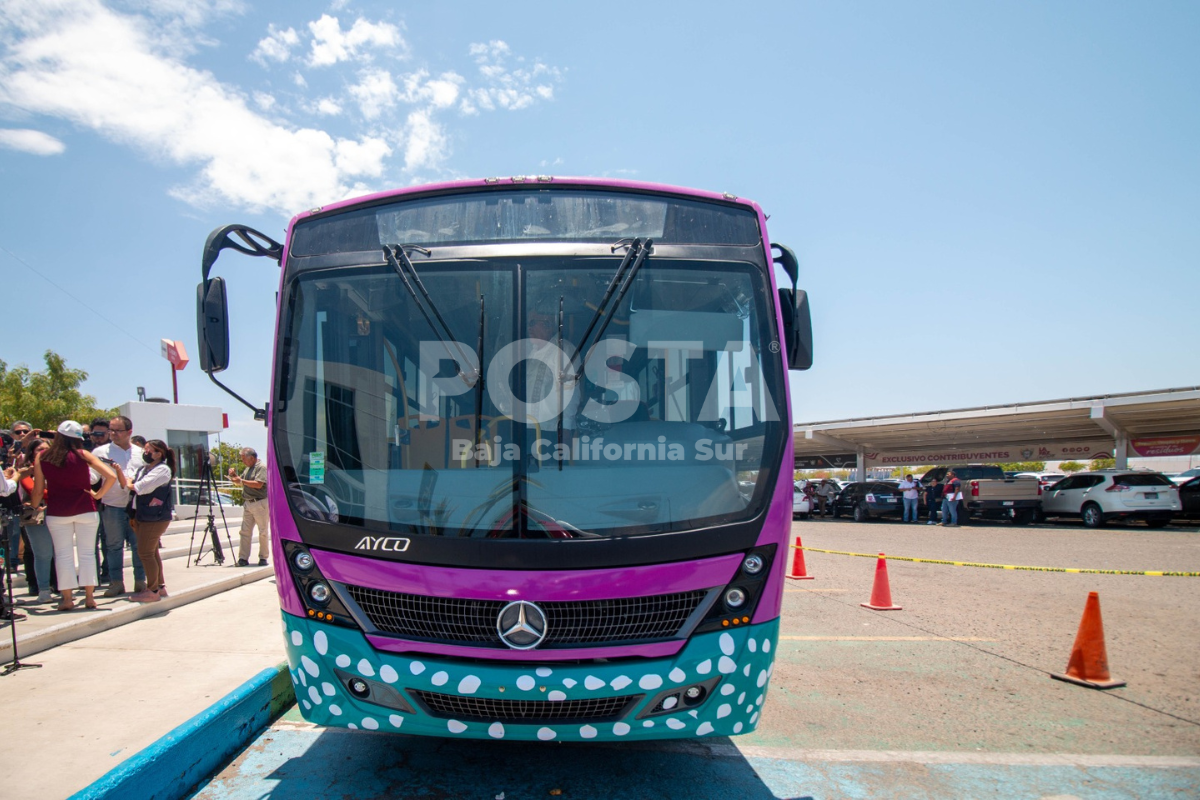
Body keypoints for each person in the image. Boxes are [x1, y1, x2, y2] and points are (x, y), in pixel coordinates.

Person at [31, 421, 116, 611]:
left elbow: (37, 490)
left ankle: (67, 599)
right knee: (87, 554)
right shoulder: (83, 455)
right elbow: (111, 475)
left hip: (57, 511)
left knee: (63, 555)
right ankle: (89, 597)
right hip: (86, 508)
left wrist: (34, 506)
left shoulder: (42, 457)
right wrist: (98, 495)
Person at [91, 416, 146, 596]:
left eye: (117, 430)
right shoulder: (100, 452)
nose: (113, 434)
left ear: (129, 432)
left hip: (136, 507)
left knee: (139, 545)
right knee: (113, 546)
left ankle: (140, 581)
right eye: (111, 430)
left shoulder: (141, 453)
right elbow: (92, 477)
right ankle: (116, 582)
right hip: (111, 506)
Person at [115, 439, 175, 603]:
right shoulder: (144, 469)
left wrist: (130, 483)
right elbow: (130, 483)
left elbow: (140, 487)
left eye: (149, 450)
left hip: (154, 517)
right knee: (152, 551)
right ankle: (159, 586)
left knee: (145, 552)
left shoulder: (162, 470)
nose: (145, 453)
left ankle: (153, 590)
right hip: (142, 515)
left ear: (158, 453)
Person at [16, 438, 56, 604]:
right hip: (36, 516)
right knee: (42, 553)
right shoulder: (25, 470)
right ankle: (43, 589)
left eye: (47, 449)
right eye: (39, 449)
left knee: (58, 553)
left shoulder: (56, 467)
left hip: (57, 513)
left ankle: (61, 587)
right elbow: (34, 490)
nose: (43, 452)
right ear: (32, 452)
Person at [229, 447, 269, 566]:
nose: (242, 461)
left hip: (260, 503)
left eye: (243, 458)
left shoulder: (261, 467)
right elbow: (240, 481)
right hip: (248, 503)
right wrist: (234, 476)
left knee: (262, 531)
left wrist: (241, 481)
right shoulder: (248, 468)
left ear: (251, 458)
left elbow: (259, 484)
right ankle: (243, 558)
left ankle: (263, 557)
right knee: (245, 531)